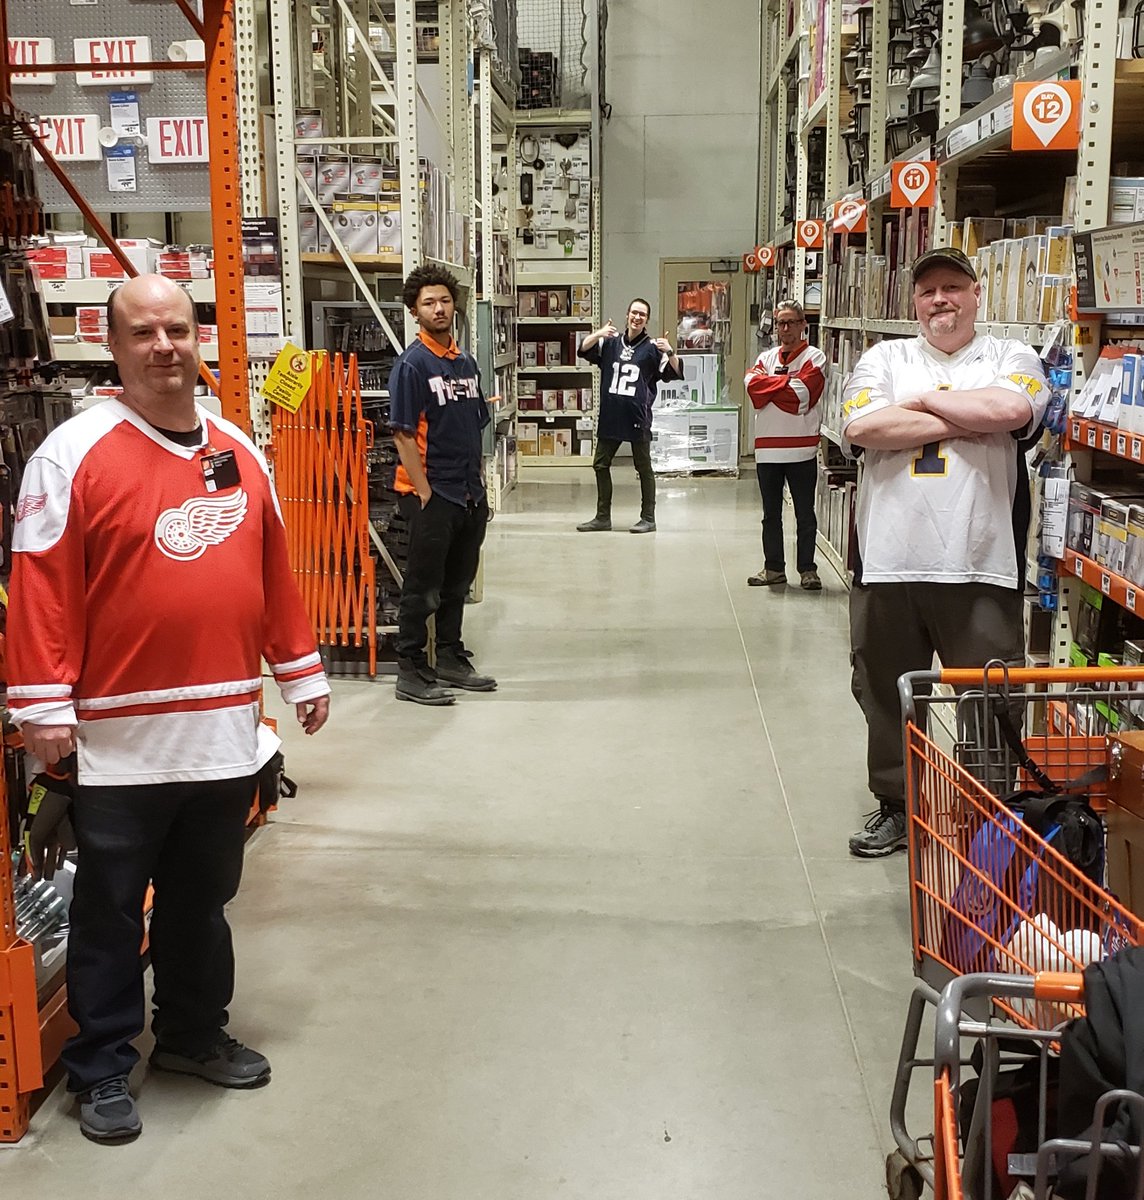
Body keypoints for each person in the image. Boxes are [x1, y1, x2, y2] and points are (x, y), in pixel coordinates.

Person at [5, 273, 331, 1142]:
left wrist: (300, 673)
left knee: (201, 902)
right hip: (117, 742)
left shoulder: (238, 451)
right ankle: (101, 1066)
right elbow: (39, 590)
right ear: (114, 350)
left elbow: (272, 577)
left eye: (178, 330)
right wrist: (41, 706)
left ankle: (191, 1034)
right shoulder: (70, 455)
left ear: (200, 341)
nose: (164, 347)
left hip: (223, 737)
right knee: (109, 910)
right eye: (143, 333)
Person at [841, 247, 1049, 858]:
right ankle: (898, 806)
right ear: (914, 302)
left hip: (982, 563)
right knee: (884, 692)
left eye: (953, 287)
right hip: (886, 563)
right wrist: (967, 414)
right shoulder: (884, 357)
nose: (941, 300)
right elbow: (862, 427)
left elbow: (1013, 410)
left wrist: (924, 403)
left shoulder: (1013, 356)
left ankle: (987, 817)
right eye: (929, 290)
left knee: (988, 695)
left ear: (976, 293)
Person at [389, 263, 495, 706]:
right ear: (415, 310)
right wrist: (426, 492)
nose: (439, 308)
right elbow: (403, 433)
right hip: (432, 496)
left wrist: (481, 484)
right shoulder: (412, 365)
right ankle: (410, 669)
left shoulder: (466, 362)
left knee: (457, 585)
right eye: (429, 302)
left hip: (469, 492)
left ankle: (450, 656)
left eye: (445, 301)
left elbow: (474, 423)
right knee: (423, 588)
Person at [575, 297, 683, 534]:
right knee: (600, 464)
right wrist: (600, 332)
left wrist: (671, 351)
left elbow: (675, 372)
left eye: (642, 315)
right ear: (627, 315)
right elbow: (583, 348)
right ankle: (602, 517)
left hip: (637, 416)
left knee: (643, 467)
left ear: (646, 320)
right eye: (634, 312)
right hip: (611, 415)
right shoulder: (611, 344)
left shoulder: (653, 349)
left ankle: (648, 518)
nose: (637, 317)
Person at [743, 299, 827, 590]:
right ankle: (774, 569)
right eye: (781, 323)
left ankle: (808, 569)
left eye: (792, 322)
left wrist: (772, 387)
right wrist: (787, 383)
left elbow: (803, 397)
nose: (786, 328)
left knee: (805, 513)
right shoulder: (765, 358)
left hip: (802, 449)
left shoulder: (815, 358)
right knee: (770, 515)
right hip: (768, 450)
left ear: (804, 325)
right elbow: (753, 388)